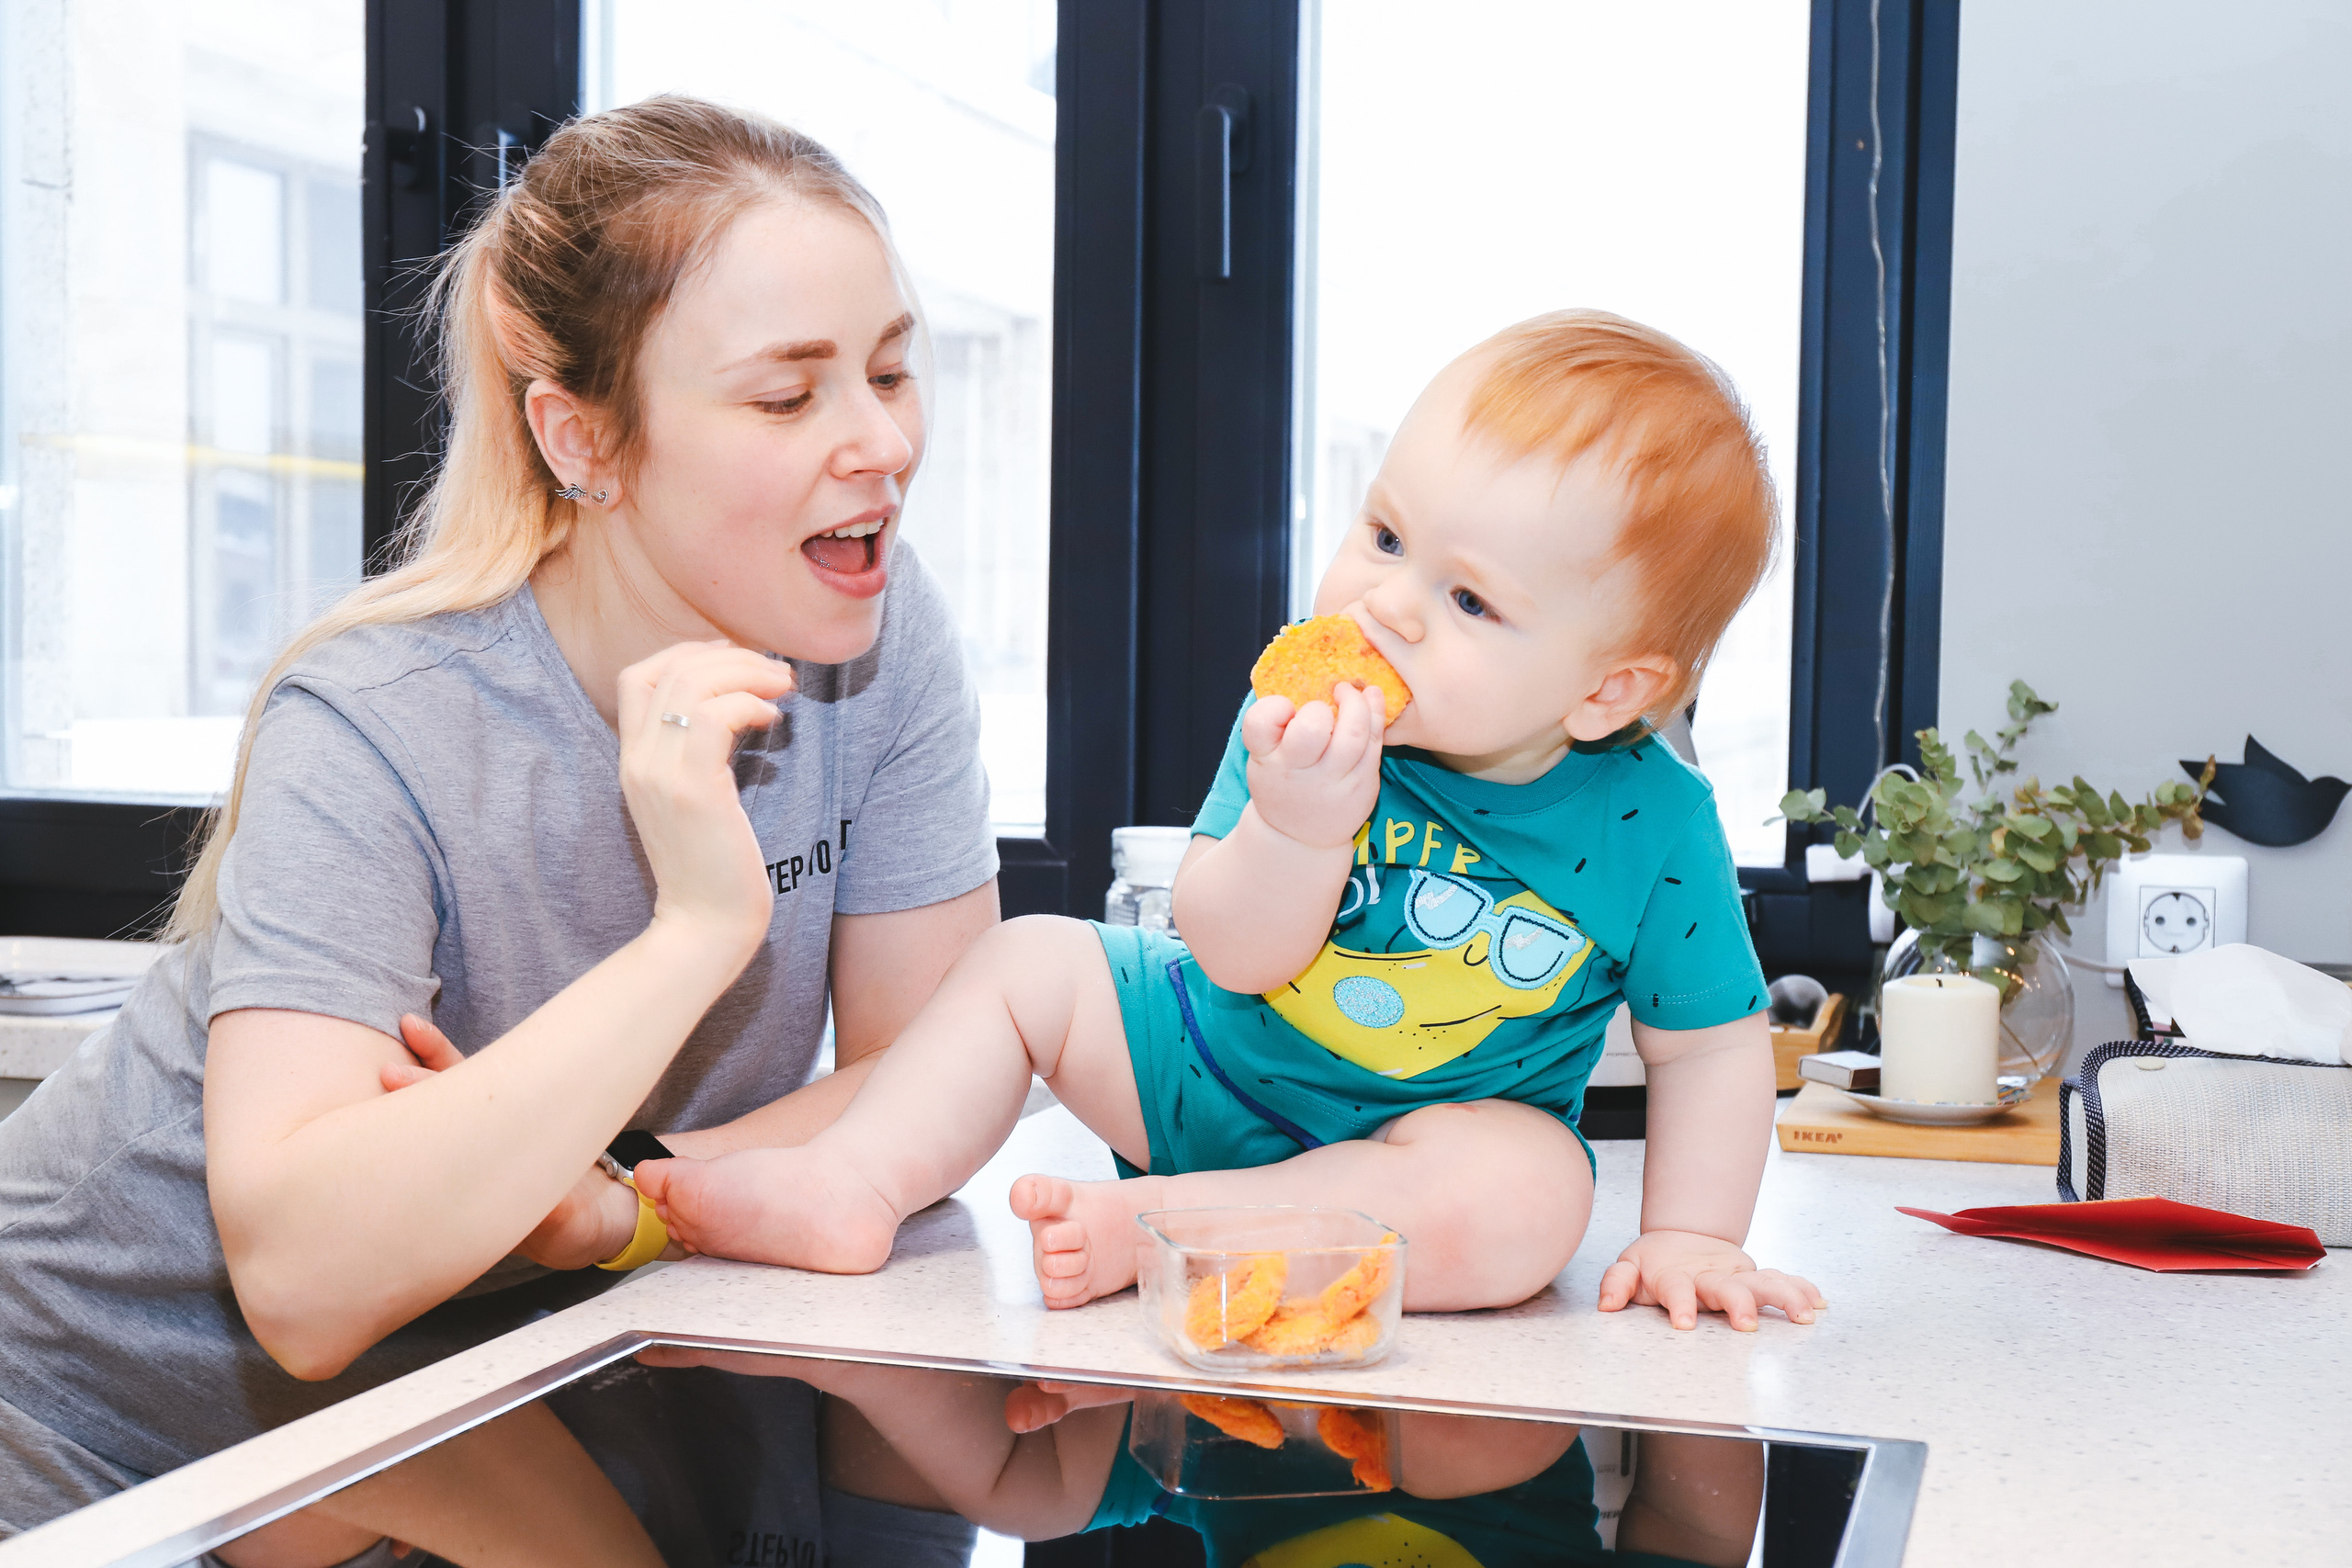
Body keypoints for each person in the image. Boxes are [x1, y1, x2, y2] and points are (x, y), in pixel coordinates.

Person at [0, 96, 999, 1564]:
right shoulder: (376, 717)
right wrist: (697, 929)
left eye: (893, 370)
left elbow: (931, 1081)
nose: (880, 442)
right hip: (123, 1432)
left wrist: (611, 1199)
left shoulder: (880, 642)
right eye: (789, 398)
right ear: (582, 437)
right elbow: (309, 1279)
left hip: (492, 1370)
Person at [636, 310, 1826, 1332]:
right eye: (1387, 537)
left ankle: (1160, 1230)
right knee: (1027, 962)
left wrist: (1693, 1237)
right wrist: (1301, 825)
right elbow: (1228, 949)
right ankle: (854, 1180)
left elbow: (1712, 1048)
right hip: (1200, 1066)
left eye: (1466, 599)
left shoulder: (1654, 823)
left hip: (1411, 1162)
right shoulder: (1301, 717)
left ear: (1608, 689)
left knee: (1538, 1195)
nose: (1388, 608)